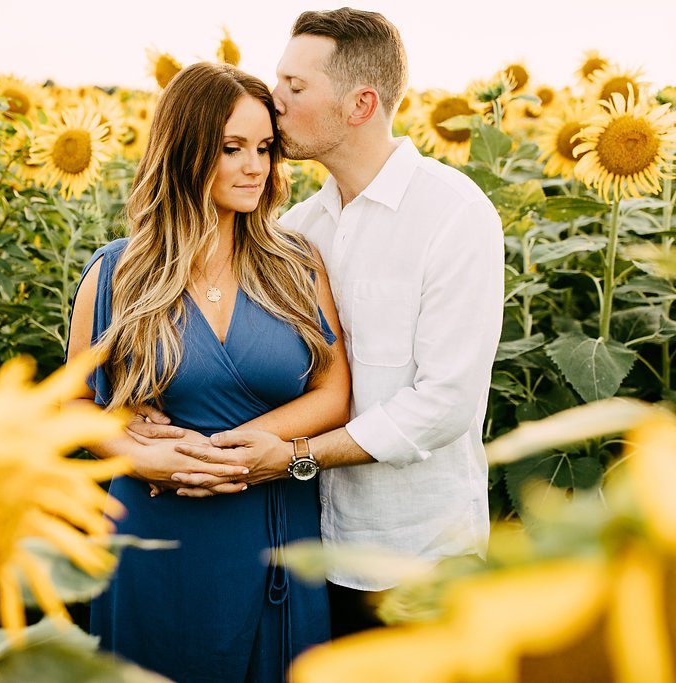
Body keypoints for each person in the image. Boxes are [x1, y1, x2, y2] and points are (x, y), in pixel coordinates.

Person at [144, 8, 505, 638]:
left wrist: (290, 457)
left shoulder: (452, 214)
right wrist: (156, 418)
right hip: (303, 551)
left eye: (295, 86)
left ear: (360, 103)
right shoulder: (296, 231)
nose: (273, 99)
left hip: (417, 555)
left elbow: (445, 404)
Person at [66, 62, 351, 681]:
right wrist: (135, 454)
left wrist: (251, 450)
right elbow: (72, 404)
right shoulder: (117, 272)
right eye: (232, 149)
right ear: (186, 151)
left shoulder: (296, 262)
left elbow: (335, 391)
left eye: (265, 149)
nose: (256, 167)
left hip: (273, 522)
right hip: (156, 530)